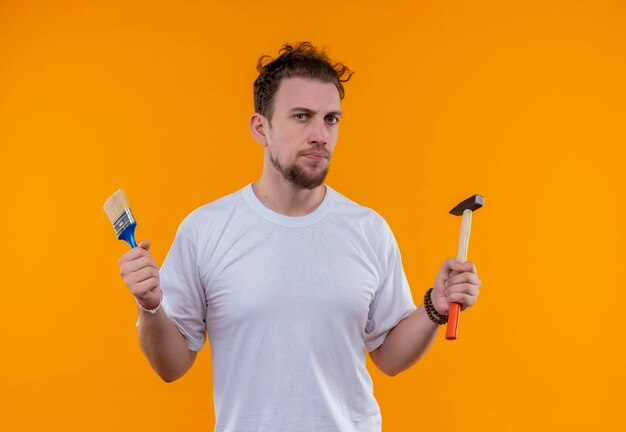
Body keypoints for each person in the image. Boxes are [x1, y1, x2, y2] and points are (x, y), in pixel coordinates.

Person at [117, 41, 481, 432]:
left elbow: (389, 359)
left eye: (331, 119)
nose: (320, 135)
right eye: (302, 116)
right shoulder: (205, 230)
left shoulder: (368, 229)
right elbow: (171, 367)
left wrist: (435, 306)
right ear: (262, 129)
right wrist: (150, 307)